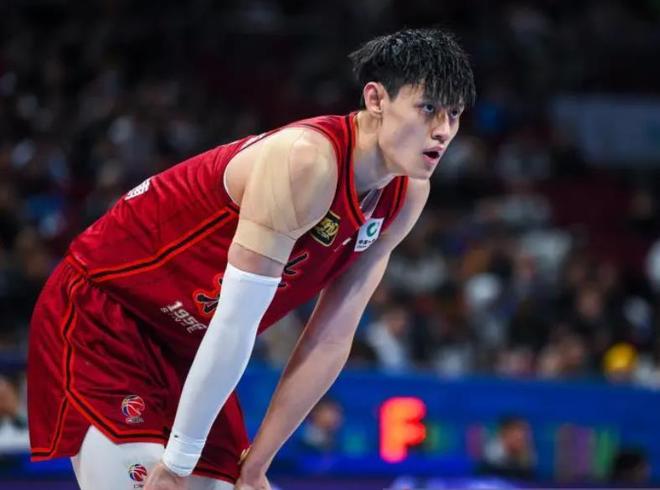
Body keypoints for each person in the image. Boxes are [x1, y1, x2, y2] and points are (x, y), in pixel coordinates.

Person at [27, 28, 475, 490]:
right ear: (376, 99)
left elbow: (331, 337)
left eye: (455, 114)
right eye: (428, 108)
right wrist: (177, 465)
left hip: (188, 347)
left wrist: (258, 462)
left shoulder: (407, 194)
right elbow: (236, 320)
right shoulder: (306, 160)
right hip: (107, 316)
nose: (443, 131)